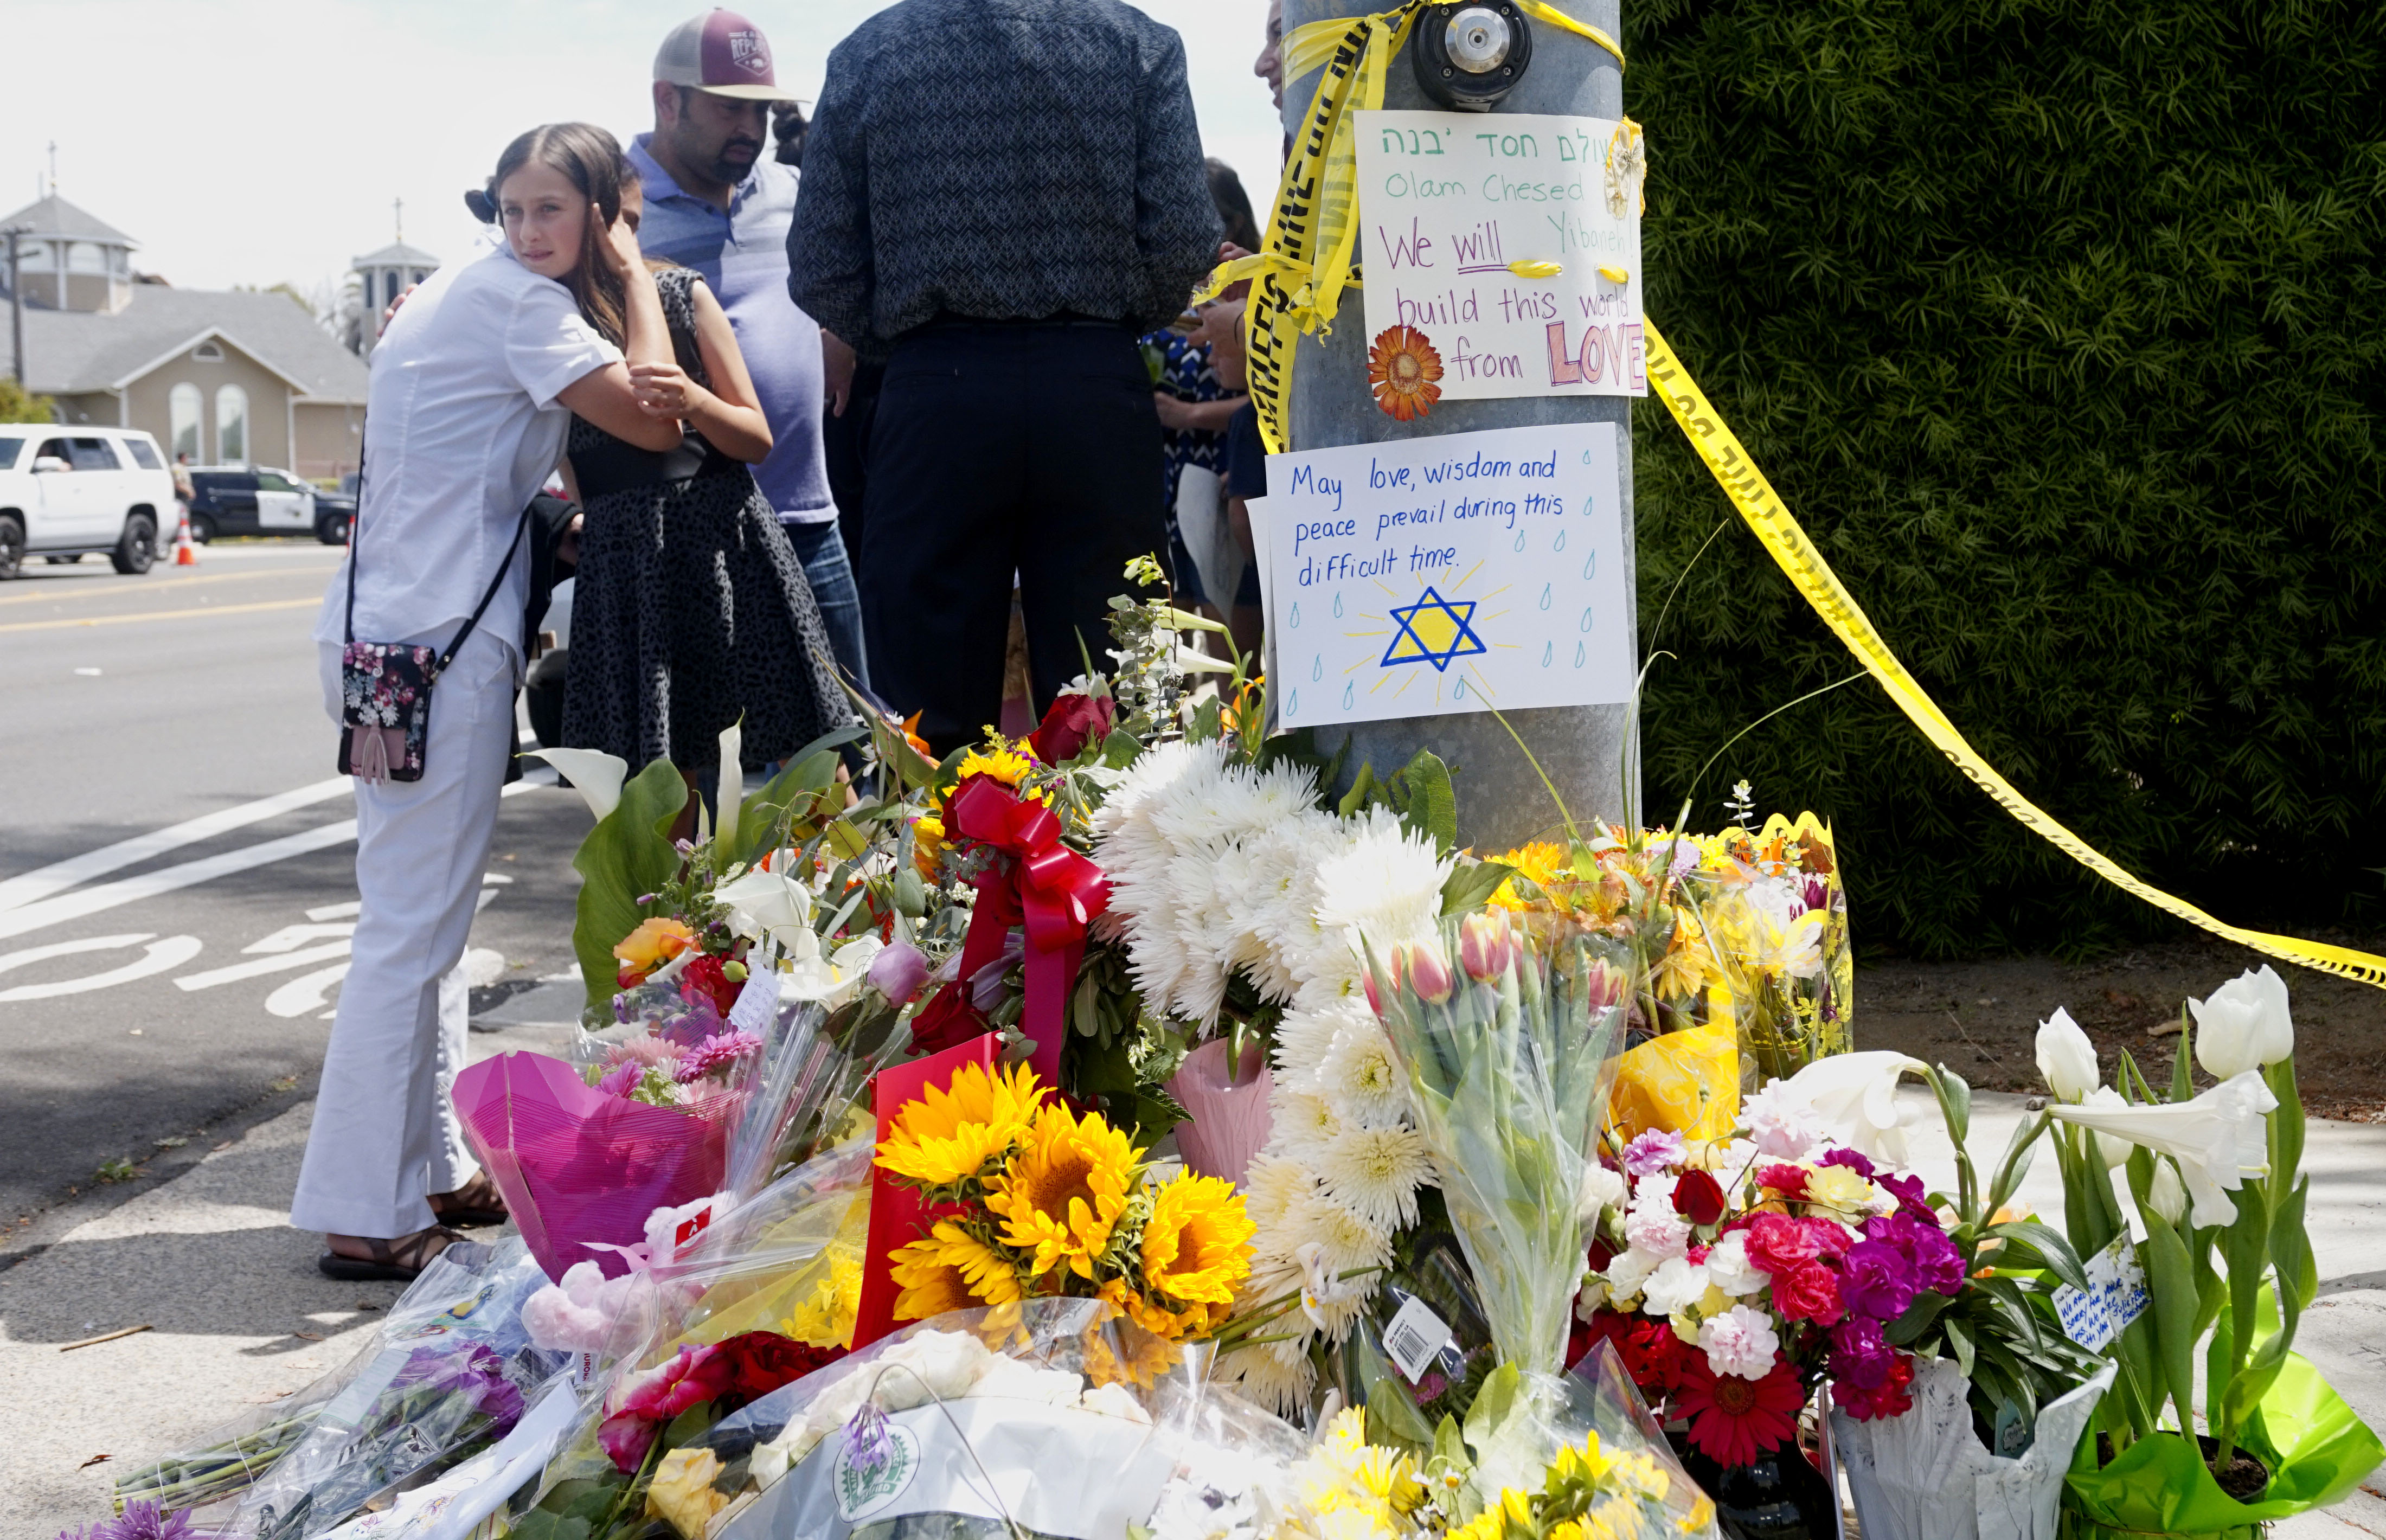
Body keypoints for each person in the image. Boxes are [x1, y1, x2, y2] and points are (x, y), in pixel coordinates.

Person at [298, 123, 681, 1281]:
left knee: (419, 921)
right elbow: (656, 424)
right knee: (408, 932)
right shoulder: (523, 301)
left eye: (547, 211)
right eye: (513, 208)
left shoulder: (444, 294)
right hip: (438, 647)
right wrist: (631, 271)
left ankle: (416, 1170)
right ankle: (363, 1208)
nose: (525, 232)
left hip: (385, 639)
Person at [790, 0, 1221, 757]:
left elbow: (822, 264)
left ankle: (937, 870)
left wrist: (899, 339)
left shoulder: (871, 54)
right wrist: (1117, 325)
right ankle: (1106, 868)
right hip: (1094, 387)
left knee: (923, 713)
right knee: (1110, 692)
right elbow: (1187, 237)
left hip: (935, 392)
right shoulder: (1139, 46)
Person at [556, 161, 851, 816]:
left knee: (812, 762)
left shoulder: (680, 294)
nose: (617, 241)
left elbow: (754, 437)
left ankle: (864, 906)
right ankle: (685, 922)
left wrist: (693, 397)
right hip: (629, 570)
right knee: (662, 787)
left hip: (728, 549)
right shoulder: (546, 321)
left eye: (627, 223)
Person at [628, 8, 869, 689]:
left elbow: (855, 265)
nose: (750, 128)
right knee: (709, 769)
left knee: (860, 746)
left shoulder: (792, 193)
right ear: (666, 100)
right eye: (730, 108)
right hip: (689, 532)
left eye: (760, 110)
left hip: (807, 519)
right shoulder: (613, 202)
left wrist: (841, 329)